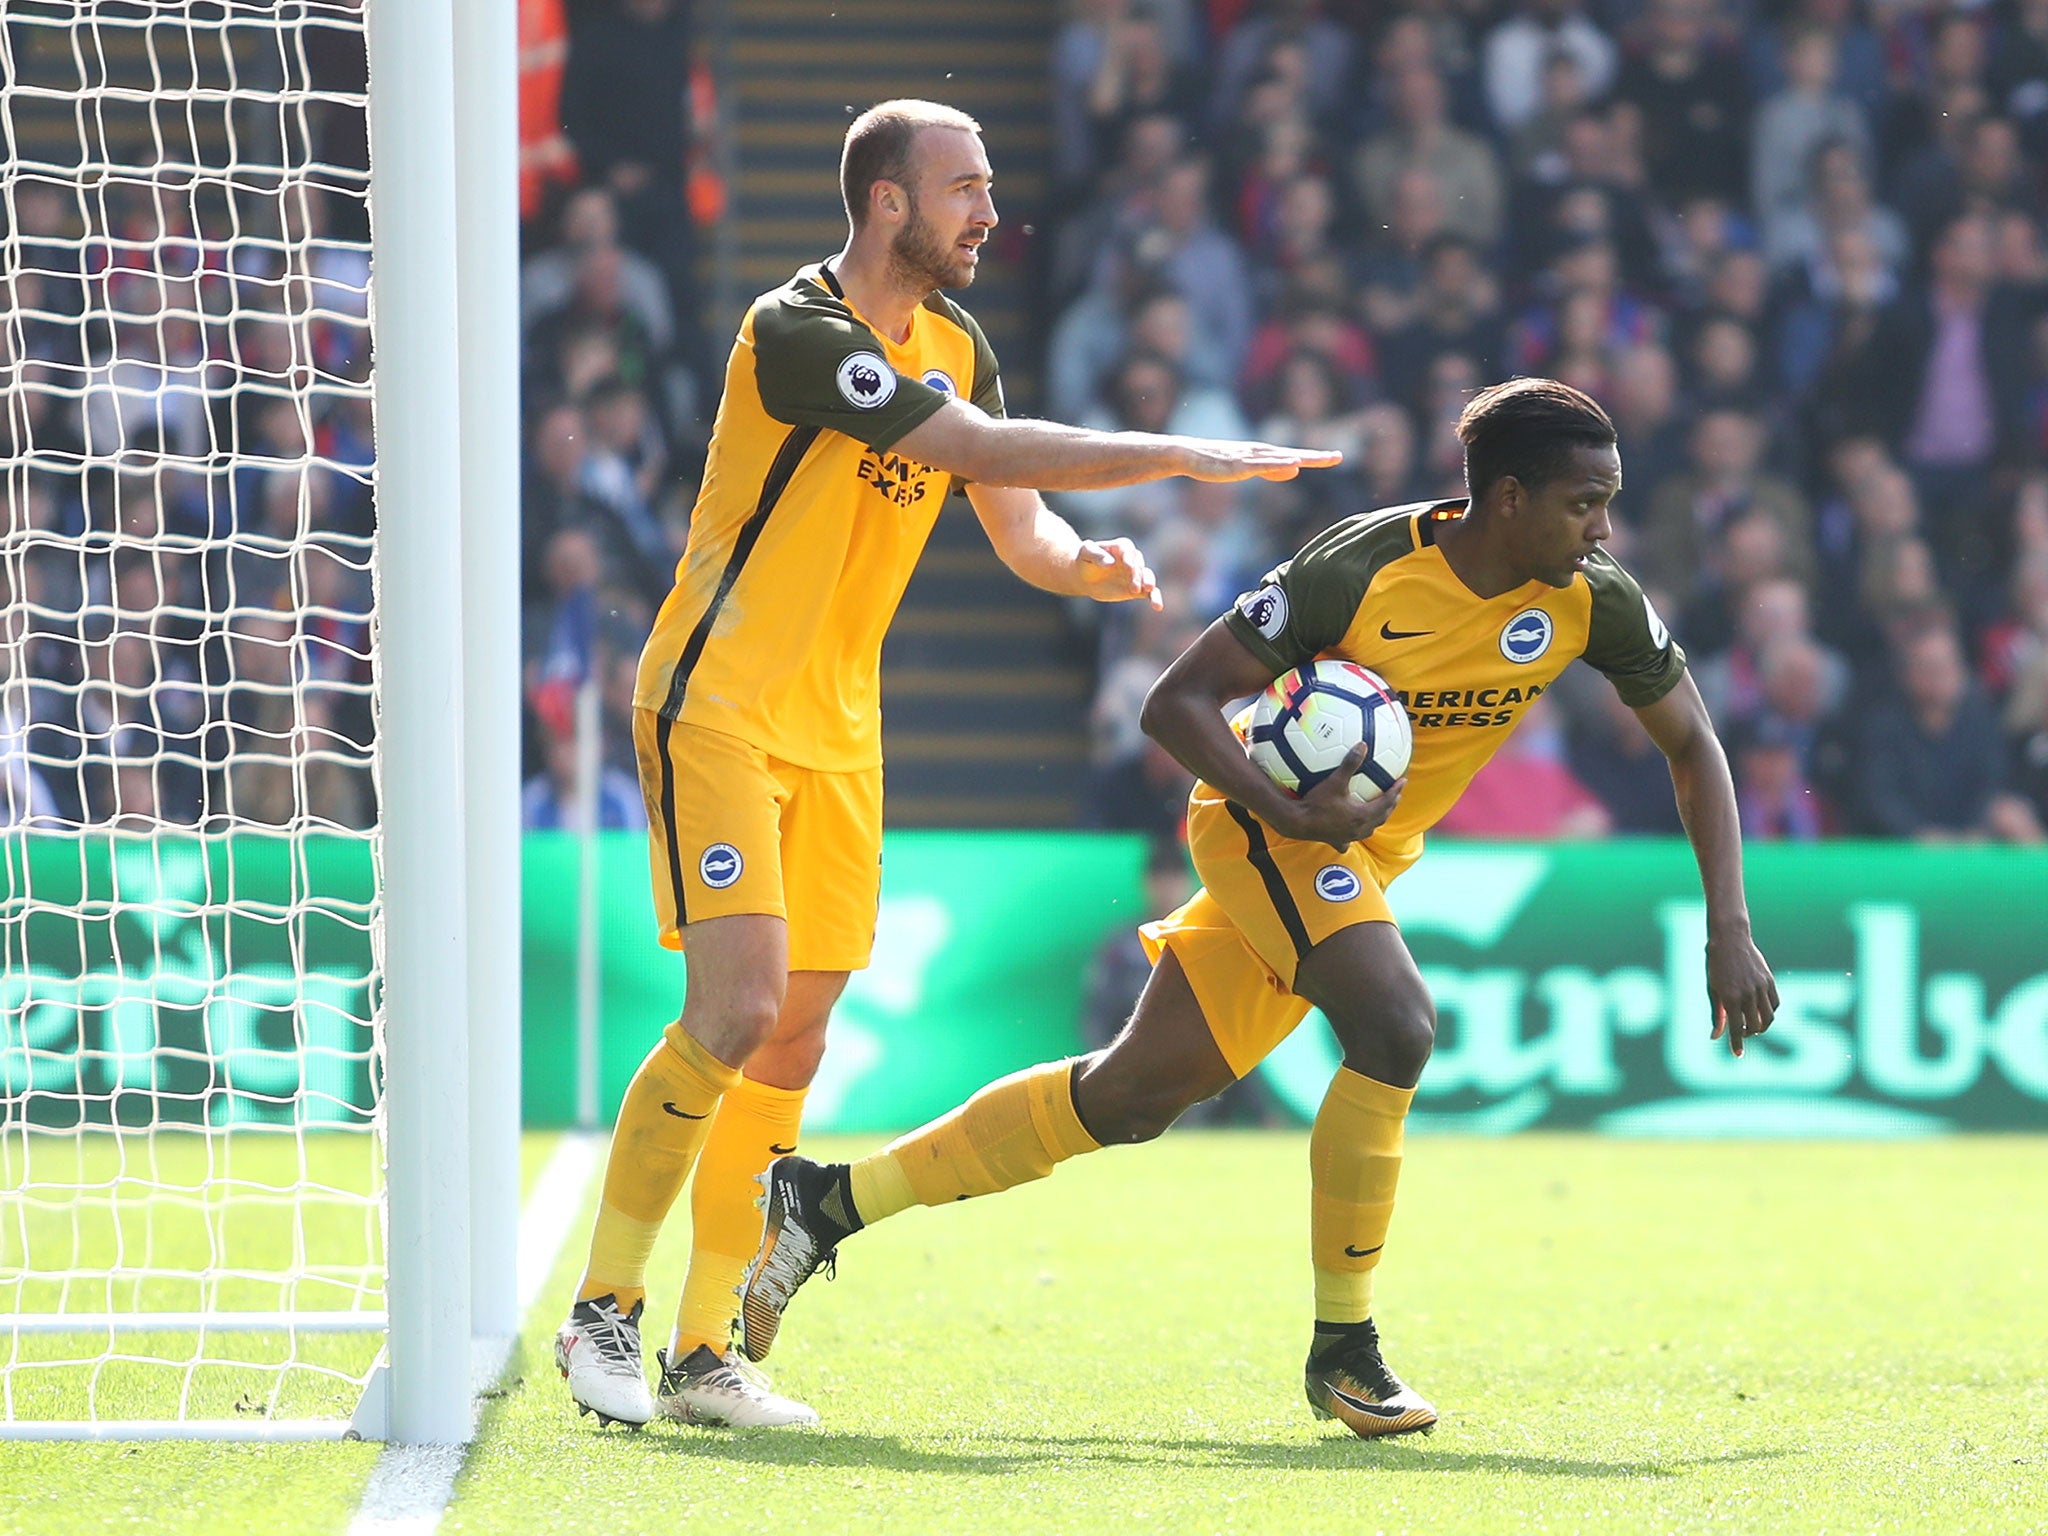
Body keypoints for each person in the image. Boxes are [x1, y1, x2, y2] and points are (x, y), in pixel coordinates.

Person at [736, 378, 1780, 1438]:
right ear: (1506, 498)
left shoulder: (1588, 596)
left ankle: (825, 1202)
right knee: (1395, 1026)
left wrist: (1728, 926)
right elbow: (1173, 701)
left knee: (1133, 1095)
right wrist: (1282, 803)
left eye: (1605, 502)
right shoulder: (1359, 568)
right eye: (1581, 502)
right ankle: (1345, 1350)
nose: (1601, 525)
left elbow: (1692, 745)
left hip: (1361, 854)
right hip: (1262, 824)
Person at [551, 98, 1339, 1433]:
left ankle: (702, 1351)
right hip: (720, 703)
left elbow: (1014, 527)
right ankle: (602, 1315)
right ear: (888, 204)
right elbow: (967, 451)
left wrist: (1083, 566)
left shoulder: (961, 340)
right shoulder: (795, 333)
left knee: (795, 1034)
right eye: (964, 187)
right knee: (735, 1007)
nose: (989, 210)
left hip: (842, 729)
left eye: (988, 186)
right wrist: (1180, 456)